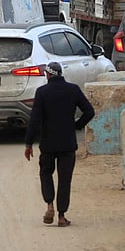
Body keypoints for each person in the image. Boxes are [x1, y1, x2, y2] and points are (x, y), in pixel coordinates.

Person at [23, 61, 94, 227]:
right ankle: (62, 216)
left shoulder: (42, 92)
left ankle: (49, 204)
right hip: (67, 143)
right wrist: (77, 125)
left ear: (47, 75)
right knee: (64, 179)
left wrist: (28, 143)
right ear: (60, 74)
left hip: (48, 143)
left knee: (46, 173)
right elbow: (89, 111)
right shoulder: (73, 89)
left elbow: (34, 120)